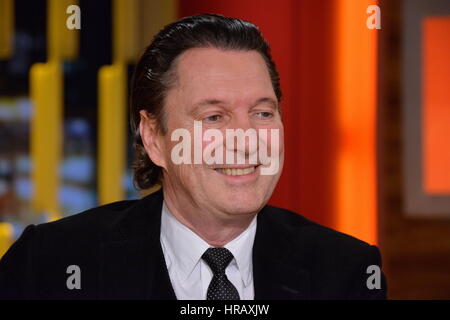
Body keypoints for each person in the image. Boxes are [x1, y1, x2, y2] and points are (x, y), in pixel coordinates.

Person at [0, 14, 387, 300]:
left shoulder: (347, 272)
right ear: (154, 138)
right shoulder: (51, 263)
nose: (245, 140)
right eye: (214, 117)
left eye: (262, 113)